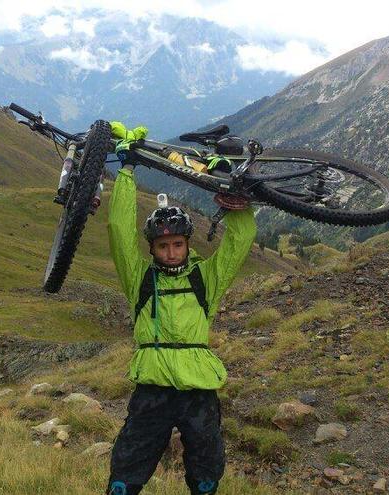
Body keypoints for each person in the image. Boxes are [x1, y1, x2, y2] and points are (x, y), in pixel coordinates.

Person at [105, 125, 257, 495]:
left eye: (177, 244)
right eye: (162, 246)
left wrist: (238, 204)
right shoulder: (140, 279)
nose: (170, 252)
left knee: (206, 473)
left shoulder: (207, 278)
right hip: (151, 388)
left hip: (198, 390)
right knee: (125, 474)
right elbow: (119, 230)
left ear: (187, 244)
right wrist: (126, 171)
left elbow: (238, 243)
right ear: (152, 249)